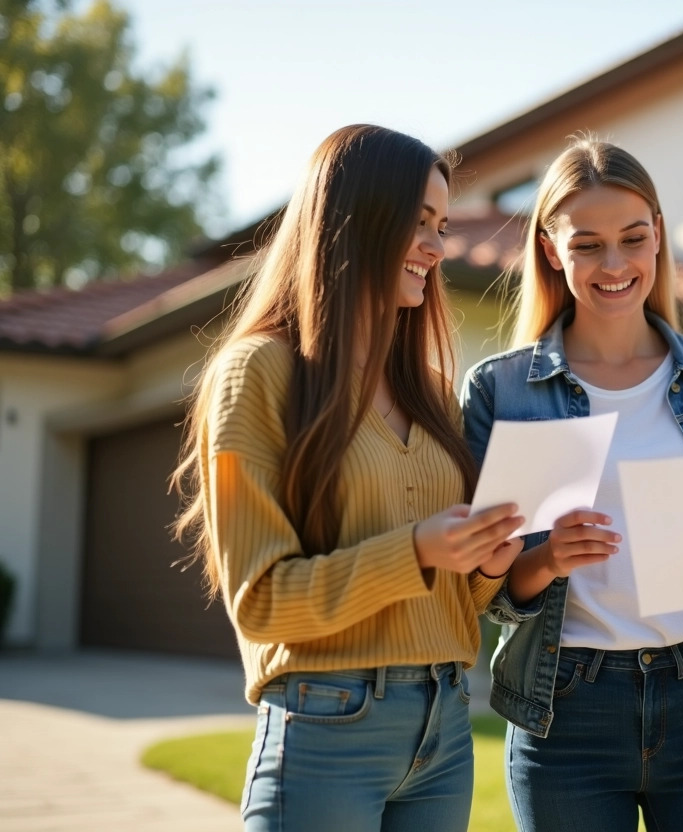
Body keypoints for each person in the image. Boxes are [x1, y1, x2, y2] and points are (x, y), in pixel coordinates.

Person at [171, 124, 524, 832]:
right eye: (418, 223)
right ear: (355, 219)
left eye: (442, 226)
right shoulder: (257, 374)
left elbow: (458, 596)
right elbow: (262, 601)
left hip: (447, 725)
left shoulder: (426, 387)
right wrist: (420, 550)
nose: (436, 246)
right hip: (327, 724)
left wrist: (488, 563)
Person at [461, 138, 683, 832]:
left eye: (633, 237)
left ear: (658, 234)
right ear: (550, 249)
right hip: (566, 708)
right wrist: (547, 559)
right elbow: (486, 595)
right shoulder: (501, 390)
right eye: (588, 245)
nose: (616, 264)